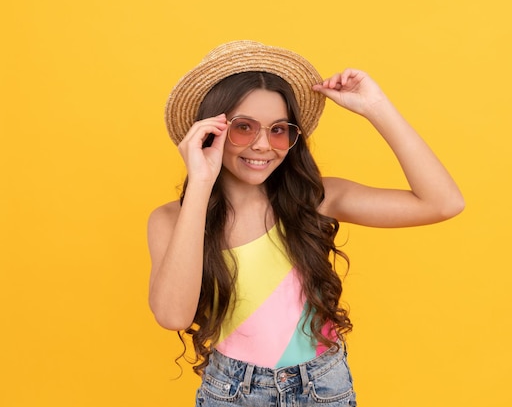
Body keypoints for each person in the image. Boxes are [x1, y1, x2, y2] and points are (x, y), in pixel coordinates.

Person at [148, 40, 464, 406]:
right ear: (210, 131)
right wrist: (201, 183)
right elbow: (172, 315)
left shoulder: (316, 200)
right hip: (233, 393)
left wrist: (377, 108)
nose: (264, 145)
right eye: (244, 127)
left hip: (323, 387)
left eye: (279, 129)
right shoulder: (172, 219)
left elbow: (444, 203)